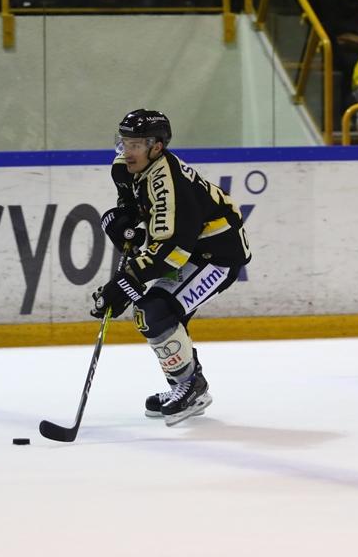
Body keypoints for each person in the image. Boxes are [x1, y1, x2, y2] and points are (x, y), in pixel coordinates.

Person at [90, 109, 251, 426]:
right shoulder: (126, 167)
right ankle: (184, 385)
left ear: (157, 147)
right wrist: (124, 223)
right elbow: (134, 207)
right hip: (189, 250)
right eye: (124, 142)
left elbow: (173, 250)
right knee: (156, 313)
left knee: (154, 311)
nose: (127, 151)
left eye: (136, 145)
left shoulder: (169, 183)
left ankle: (191, 386)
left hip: (217, 256)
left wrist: (126, 281)